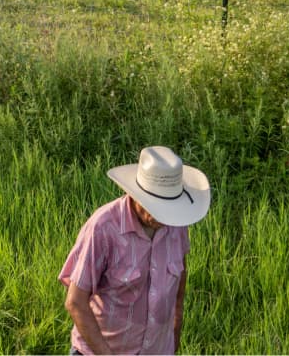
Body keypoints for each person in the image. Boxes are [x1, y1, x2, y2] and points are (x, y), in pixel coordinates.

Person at [58, 145, 211, 355]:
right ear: (136, 194)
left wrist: (175, 334)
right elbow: (75, 302)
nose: (163, 216)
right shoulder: (103, 228)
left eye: (168, 207)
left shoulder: (177, 223)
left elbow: (179, 282)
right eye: (156, 206)